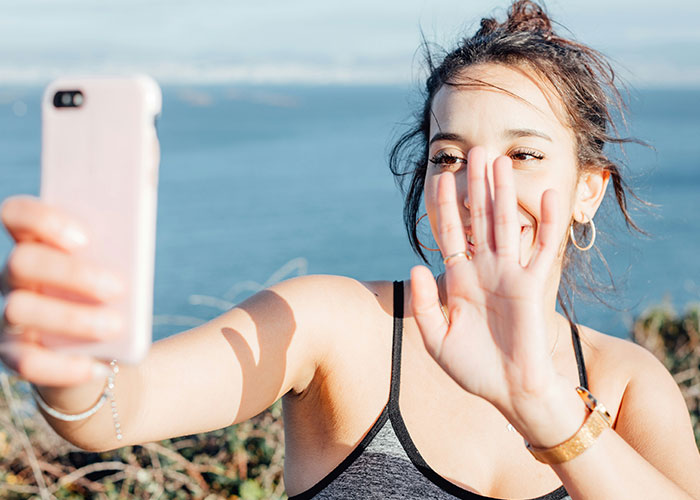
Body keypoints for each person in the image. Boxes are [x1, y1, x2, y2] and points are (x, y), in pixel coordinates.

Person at [1, 1, 699, 498]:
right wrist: (68, 366)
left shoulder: (630, 385)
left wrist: (542, 403)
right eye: (449, 156)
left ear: (588, 190)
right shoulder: (338, 327)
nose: (477, 188)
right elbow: (113, 409)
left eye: (522, 153)